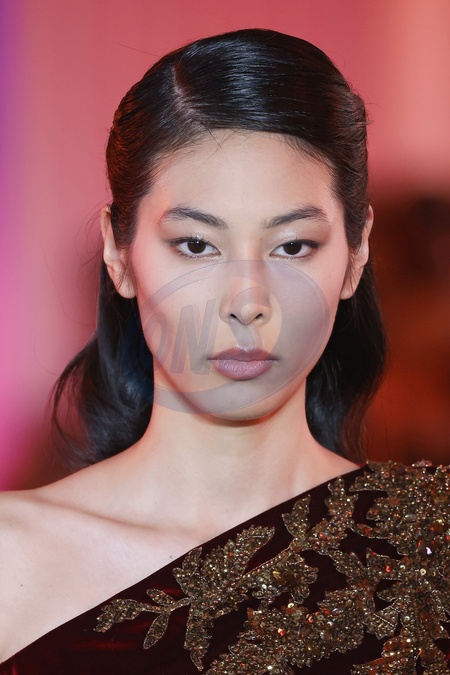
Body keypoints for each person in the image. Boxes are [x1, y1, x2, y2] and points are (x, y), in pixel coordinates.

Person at [0, 28, 448, 674]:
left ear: (356, 254)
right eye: (196, 245)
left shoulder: (431, 546)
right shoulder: (12, 557)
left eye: (292, 246)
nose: (247, 301)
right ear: (118, 254)